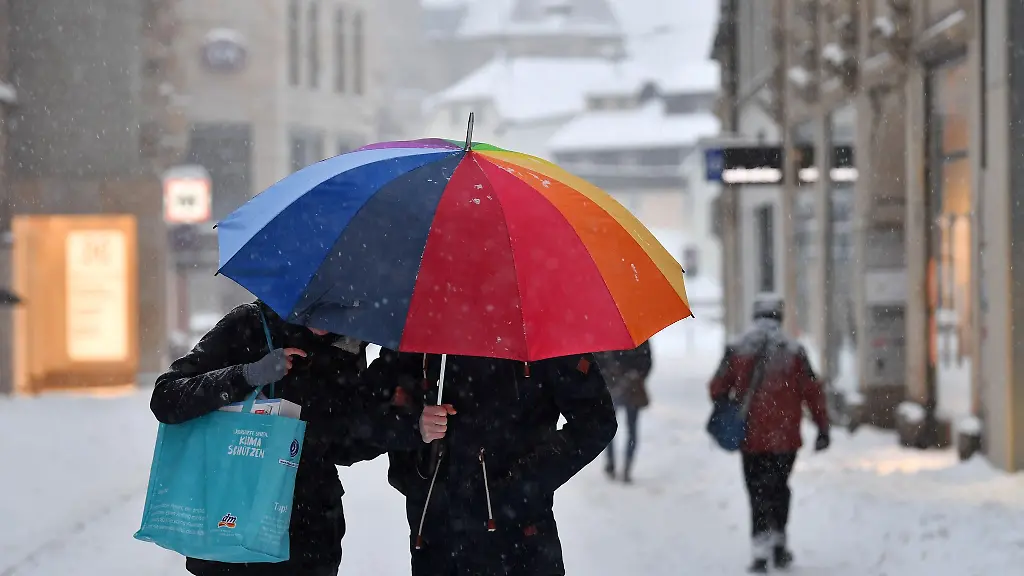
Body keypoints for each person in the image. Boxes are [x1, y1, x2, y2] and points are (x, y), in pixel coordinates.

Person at [150, 300, 424, 576]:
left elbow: (341, 445)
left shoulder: (347, 344)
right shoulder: (252, 324)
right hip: (233, 521)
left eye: (335, 306)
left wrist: (400, 421)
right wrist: (247, 375)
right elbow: (167, 398)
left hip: (309, 532)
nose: (323, 322)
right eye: (316, 303)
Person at [363, 351, 618, 576]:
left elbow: (596, 422)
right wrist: (414, 426)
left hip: (517, 541)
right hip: (435, 539)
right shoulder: (424, 320)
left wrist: (518, 486)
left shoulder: (537, 323)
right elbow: (363, 418)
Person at [708, 299, 830, 574]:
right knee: (779, 487)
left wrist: (733, 401)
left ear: (755, 315)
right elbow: (813, 391)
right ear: (780, 316)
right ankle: (779, 543)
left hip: (750, 437)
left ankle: (760, 551)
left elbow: (716, 387)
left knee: (756, 490)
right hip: (785, 438)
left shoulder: (737, 348)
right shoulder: (795, 351)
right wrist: (822, 427)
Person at [595, 340, 653, 483]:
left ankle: (617, 465)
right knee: (628, 430)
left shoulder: (608, 337)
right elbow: (647, 363)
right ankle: (620, 465)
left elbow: (598, 363)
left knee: (615, 428)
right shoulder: (639, 337)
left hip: (617, 389)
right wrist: (636, 375)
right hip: (623, 389)